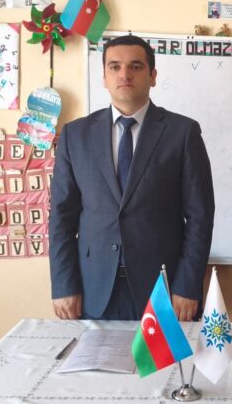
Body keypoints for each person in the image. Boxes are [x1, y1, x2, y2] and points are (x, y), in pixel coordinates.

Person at [49, 34, 215, 321]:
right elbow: (61, 217)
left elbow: (200, 216)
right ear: (104, 77)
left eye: (136, 66)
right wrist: (64, 284)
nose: (124, 74)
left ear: (152, 76)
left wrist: (188, 286)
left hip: (164, 288)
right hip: (92, 289)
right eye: (114, 67)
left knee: (167, 355)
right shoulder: (75, 135)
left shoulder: (182, 133)